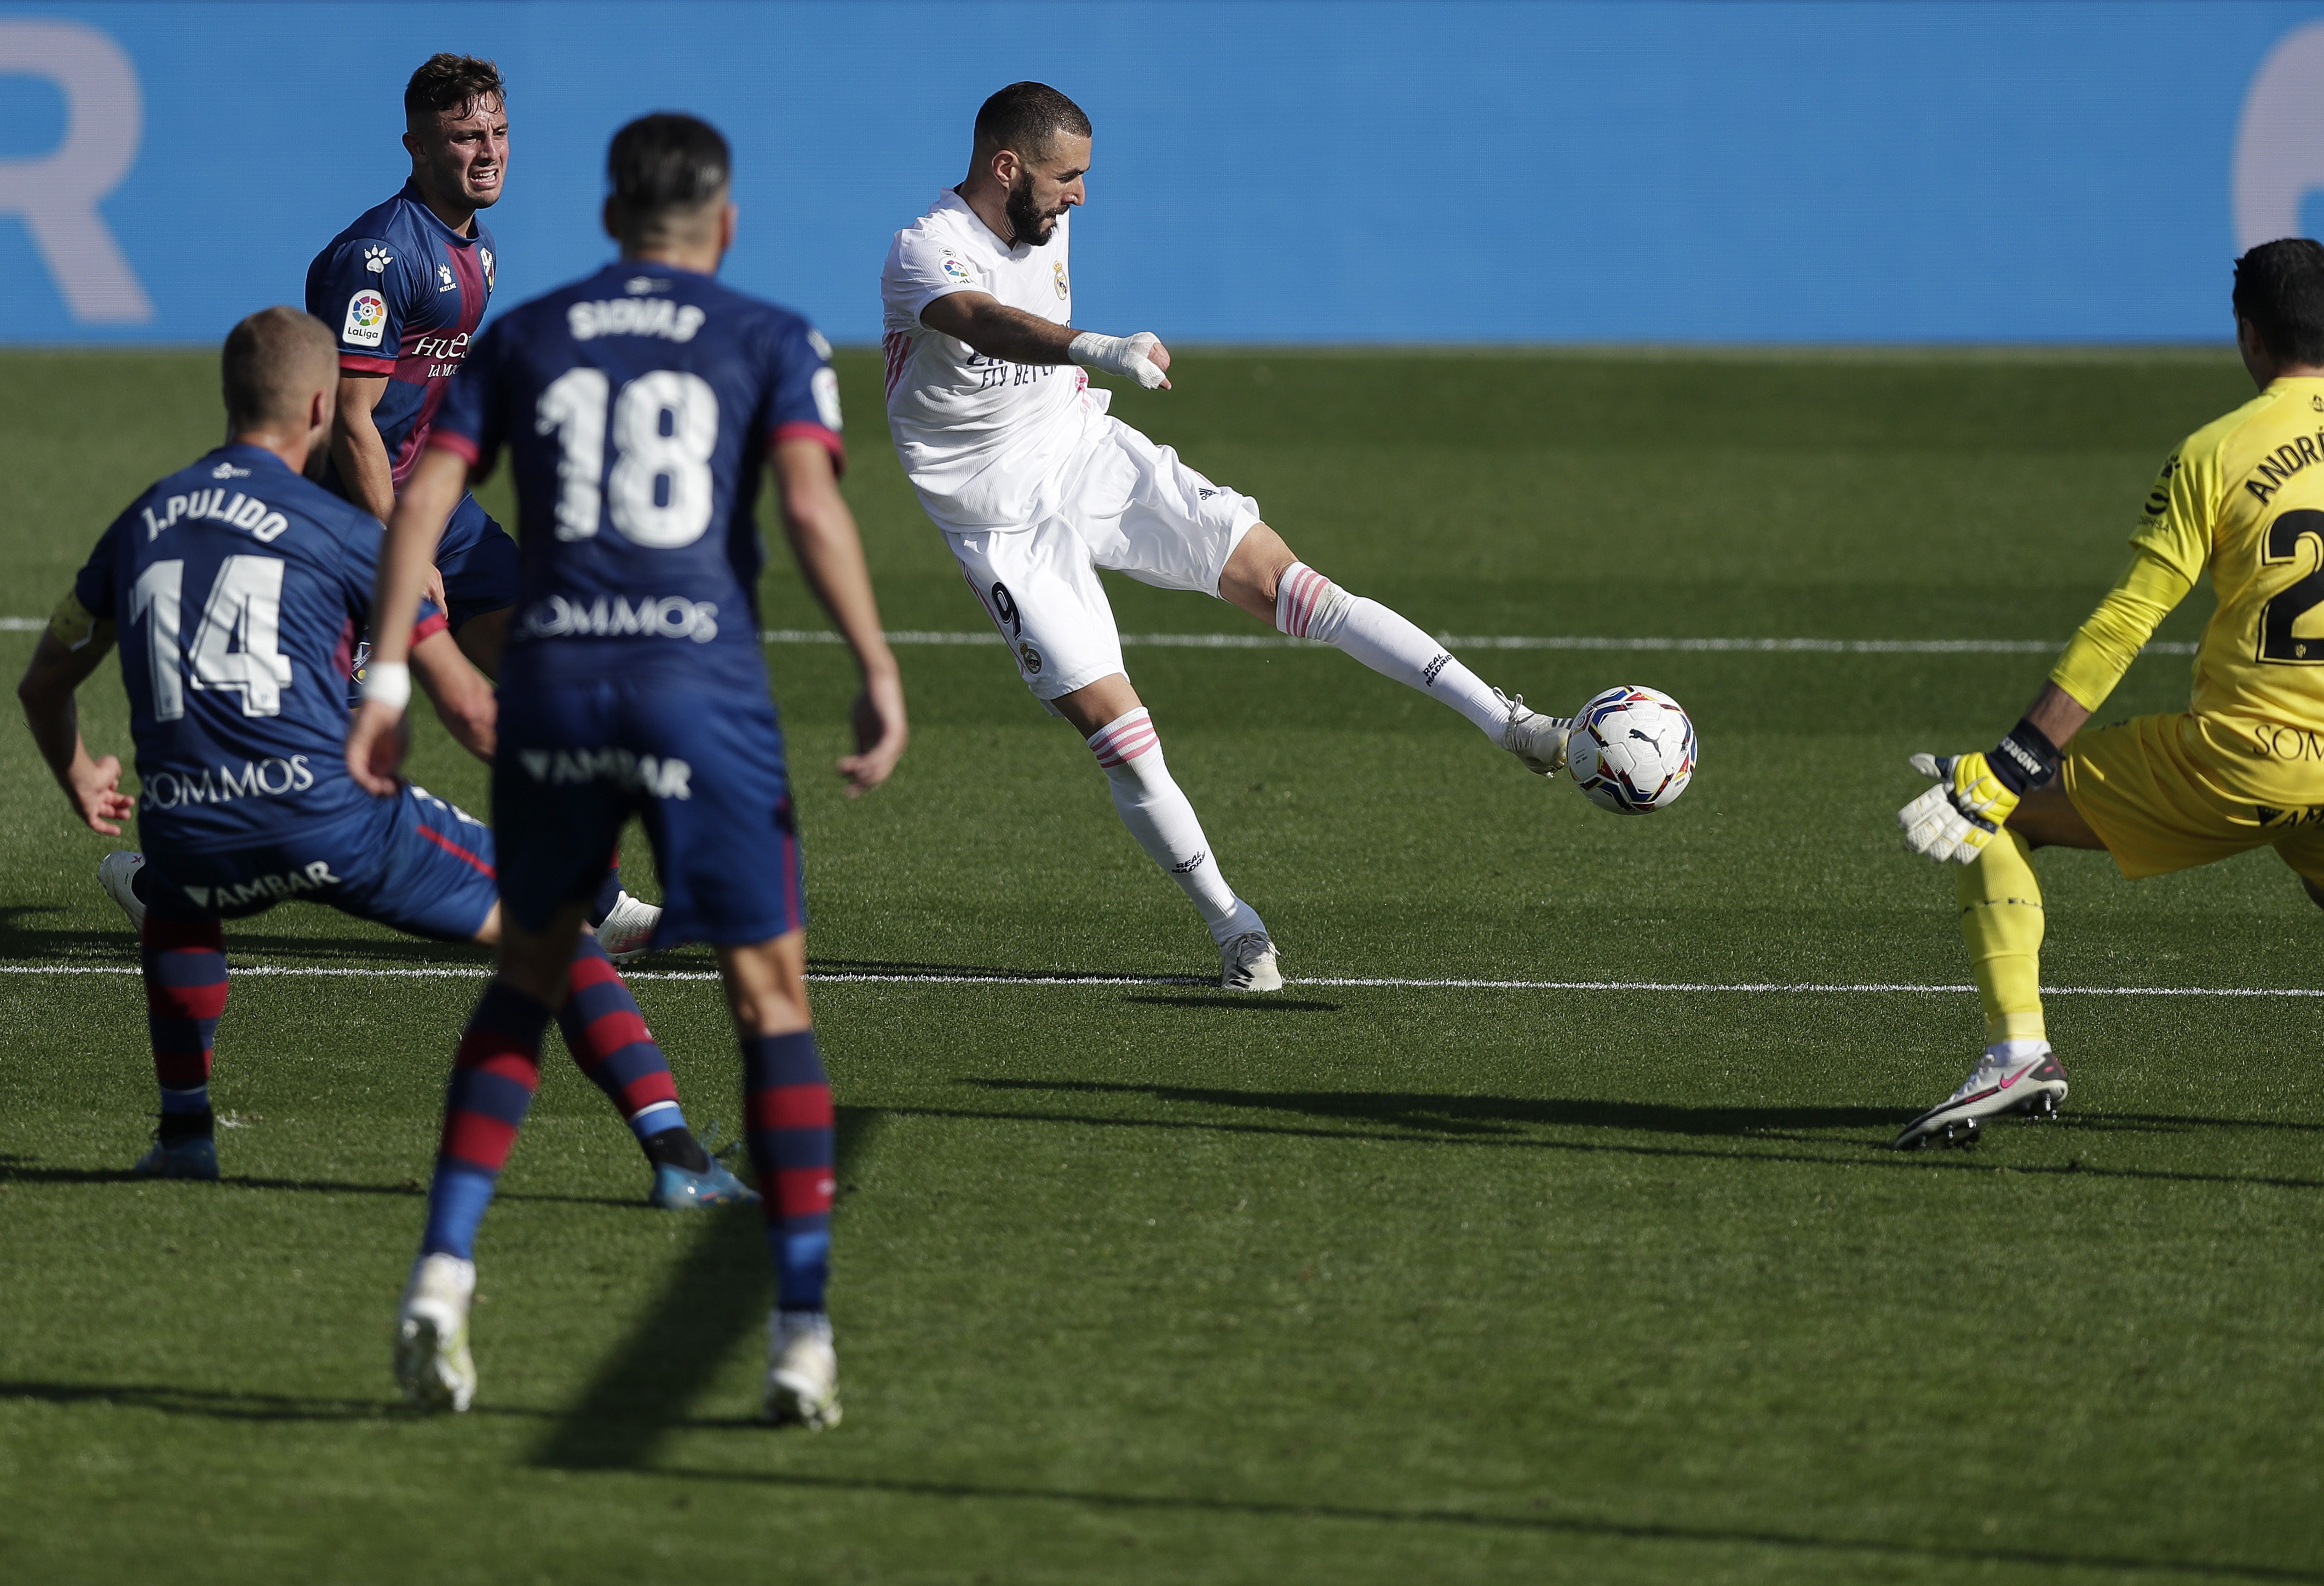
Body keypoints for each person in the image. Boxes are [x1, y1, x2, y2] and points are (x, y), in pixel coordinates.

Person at [347, 114, 907, 1426]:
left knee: (529, 976)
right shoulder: (769, 335)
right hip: (699, 690)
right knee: (770, 1004)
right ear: (721, 223)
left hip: (554, 687)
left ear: (610, 220)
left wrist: (386, 678)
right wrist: (877, 668)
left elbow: (423, 495)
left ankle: (441, 1274)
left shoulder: (530, 332)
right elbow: (815, 510)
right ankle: (800, 1336)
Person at [13, 307, 751, 1208]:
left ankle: (185, 1137)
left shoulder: (143, 520)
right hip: (332, 818)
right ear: (324, 405)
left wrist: (83, 770)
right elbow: (472, 706)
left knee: (174, 890)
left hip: (191, 825)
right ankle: (678, 1156)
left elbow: (42, 684)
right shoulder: (357, 536)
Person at [879, 83, 1584, 993]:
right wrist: (1097, 346)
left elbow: (1032, 309)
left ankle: (1513, 723)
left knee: (1296, 588)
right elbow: (980, 318)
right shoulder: (923, 250)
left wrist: (1092, 367)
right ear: (1006, 167)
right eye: (1067, 178)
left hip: (1087, 451)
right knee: (1121, 734)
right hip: (999, 522)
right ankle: (1234, 926)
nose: (1080, 197)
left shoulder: (1045, 222)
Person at [1893, 238, 2324, 1150]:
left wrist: (2016, 757)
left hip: (2234, 764)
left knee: (1997, 810)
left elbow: (2129, 619)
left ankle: (2018, 1049)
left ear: (2248, 336)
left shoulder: (2217, 452)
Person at [303, 53, 657, 956]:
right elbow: (350, 424)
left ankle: (596, 895)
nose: (487, 152)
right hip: (356, 516)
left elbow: (422, 399)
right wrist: (398, 543)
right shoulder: (376, 258)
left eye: (497, 132)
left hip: (437, 509)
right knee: (324, 757)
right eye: (464, 137)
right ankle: (173, 880)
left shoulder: (477, 246)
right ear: (417, 146)